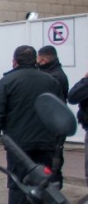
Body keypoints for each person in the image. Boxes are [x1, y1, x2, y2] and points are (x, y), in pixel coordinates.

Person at [0, 45, 61, 204]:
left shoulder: (8, 81)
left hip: (18, 143)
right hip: (45, 140)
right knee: (45, 181)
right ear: (35, 60)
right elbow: (59, 109)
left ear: (15, 61)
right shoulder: (50, 81)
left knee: (17, 182)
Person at [37, 45, 69, 187]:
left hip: (54, 126)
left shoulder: (55, 77)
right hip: (52, 124)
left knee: (53, 161)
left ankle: (53, 194)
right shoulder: (52, 73)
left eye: (38, 59)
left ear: (43, 60)